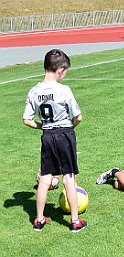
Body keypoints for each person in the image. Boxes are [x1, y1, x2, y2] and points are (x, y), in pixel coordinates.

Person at [23, 49, 87, 232]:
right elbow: (79, 117)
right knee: (69, 177)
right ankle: (75, 221)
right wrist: (70, 127)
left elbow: (26, 120)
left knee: (45, 178)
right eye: (65, 71)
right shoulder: (63, 90)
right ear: (60, 70)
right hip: (64, 134)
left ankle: (39, 220)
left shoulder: (34, 91)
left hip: (48, 136)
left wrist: (41, 127)